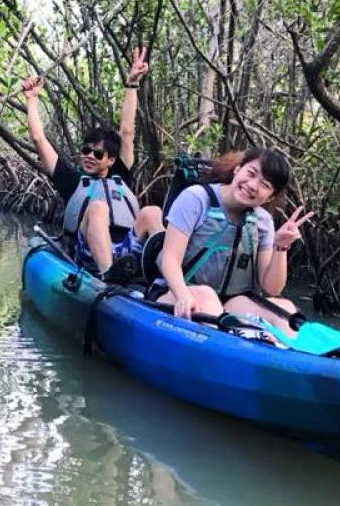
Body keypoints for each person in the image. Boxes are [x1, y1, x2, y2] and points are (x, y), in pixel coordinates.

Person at [21, 49, 163, 275]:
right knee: (98, 208)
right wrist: (32, 100)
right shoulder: (72, 181)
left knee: (153, 212)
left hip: (127, 250)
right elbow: (39, 139)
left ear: (111, 160)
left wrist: (132, 84)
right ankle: (108, 274)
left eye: (97, 154)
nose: (89, 156)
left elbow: (126, 131)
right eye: (86, 150)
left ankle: (163, 276)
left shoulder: (121, 174)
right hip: (89, 253)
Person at [146, 148, 313, 337]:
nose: (252, 185)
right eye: (250, 173)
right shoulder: (196, 198)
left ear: (270, 197)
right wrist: (183, 295)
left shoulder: (263, 221)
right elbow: (170, 259)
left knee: (286, 310)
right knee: (208, 298)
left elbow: (270, 288)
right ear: (237, 170)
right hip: (177, 291)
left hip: (232, 301)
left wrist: (281, 246)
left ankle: (287, 362)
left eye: (264, 185)